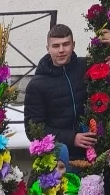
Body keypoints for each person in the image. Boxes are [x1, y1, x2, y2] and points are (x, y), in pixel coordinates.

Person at [25, 25, 92, 162]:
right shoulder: (37, 85)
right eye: (55, 46)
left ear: (73, 45)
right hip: (58, 155)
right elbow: (33, 129)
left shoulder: (85, 66)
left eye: (66, 44)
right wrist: (71, 137)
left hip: (91, 147)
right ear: (48, 48)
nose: (61, 50)